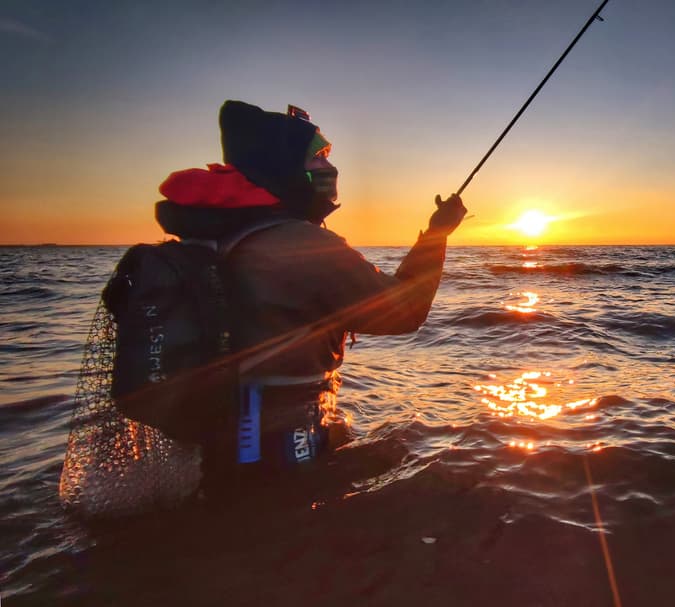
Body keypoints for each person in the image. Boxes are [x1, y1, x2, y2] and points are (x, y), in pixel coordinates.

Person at [155, 100, 466, 485]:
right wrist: (437, 235)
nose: (329, 167)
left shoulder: (215, 235)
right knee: (299, 519)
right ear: (280, 165)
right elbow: (403, 312)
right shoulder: (300, 243)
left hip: (222, 427)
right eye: (317, 155)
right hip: (274, 436)